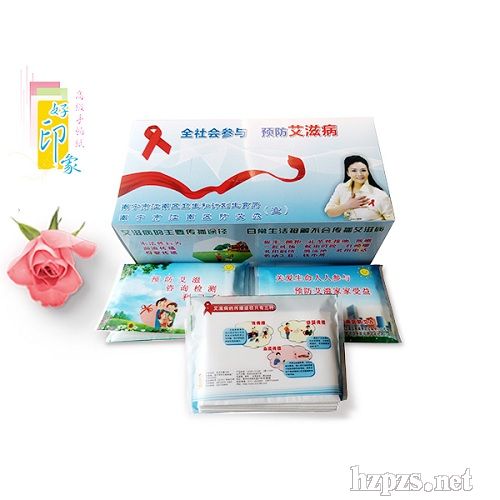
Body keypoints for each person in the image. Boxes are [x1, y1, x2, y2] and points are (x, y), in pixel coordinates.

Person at [324, 155, 394, 221]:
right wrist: (347, 205)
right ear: (348, 173)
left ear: (368, 172)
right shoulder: (341, 188)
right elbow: (329, 212)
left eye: (363, 170)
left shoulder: (380, 195)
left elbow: (390, 221)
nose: (359, 174)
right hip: (352, 229)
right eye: (354, 170)